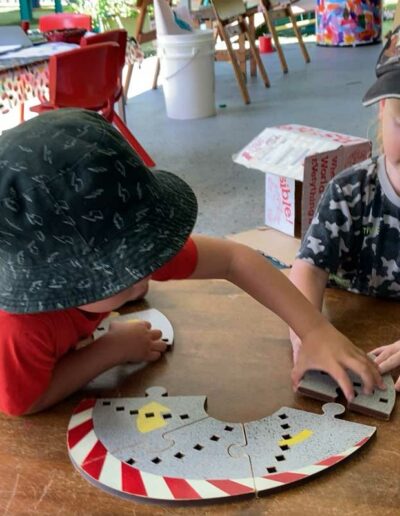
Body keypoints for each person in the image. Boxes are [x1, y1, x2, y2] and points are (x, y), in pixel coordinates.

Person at [0, 108, 383, 417]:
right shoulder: (21, 327)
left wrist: (313, 330)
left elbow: (235, 259)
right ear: (52, 279)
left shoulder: (132, 255)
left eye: (139, 255)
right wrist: (109, 350)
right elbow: (23, 403)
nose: (142, 271)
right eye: (113, 272)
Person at [289, 25, 400, 391]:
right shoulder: (350, 190)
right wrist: (309, 335)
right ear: (383, 110)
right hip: (350, 323)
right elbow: (307, 270)